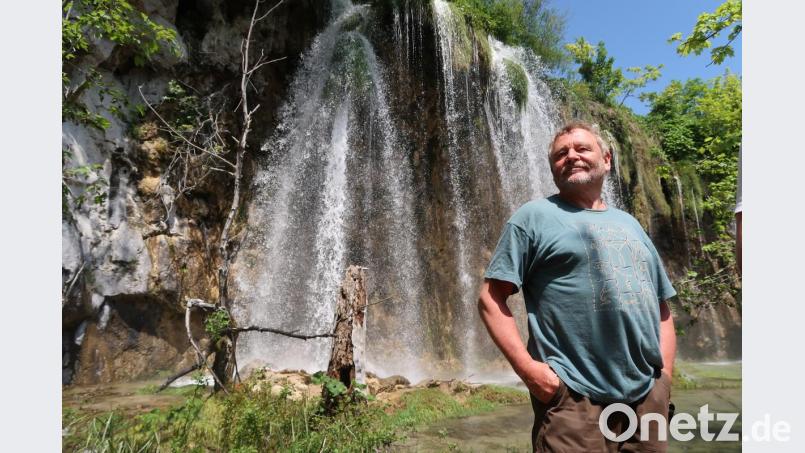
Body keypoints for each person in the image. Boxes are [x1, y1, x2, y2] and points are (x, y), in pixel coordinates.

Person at [478, 121, 677, 452]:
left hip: (646, 398)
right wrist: (534, 375)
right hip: (572, 399)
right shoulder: (533, 217)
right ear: (553, 169)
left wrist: (665, 379)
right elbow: (490, 299)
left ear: (607, 159)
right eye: (561, 154)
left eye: (582, 148)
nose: (571, 156)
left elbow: (662, 308)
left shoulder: (631, 225)